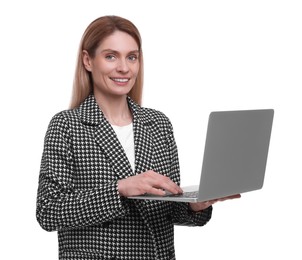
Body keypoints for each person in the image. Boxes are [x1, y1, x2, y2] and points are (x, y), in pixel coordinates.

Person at [36, 15, 240, 260]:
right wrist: (120, 189)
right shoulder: (67, 125)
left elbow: (169, 210)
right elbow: (48, 212)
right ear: (88, 60)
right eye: (111, 56)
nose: (124, 67)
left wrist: (193, 206)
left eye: (132, 57)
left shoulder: (158, 124)